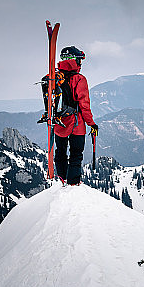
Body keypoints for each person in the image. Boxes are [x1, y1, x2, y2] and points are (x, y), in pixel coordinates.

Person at [54, 46, 98, 185]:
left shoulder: (55, 77)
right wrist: (92, 124)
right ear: (74, 61)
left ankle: (62, 178)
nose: (80, 64)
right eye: (79, 60)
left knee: (60, 151)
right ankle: (73, 183)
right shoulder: (79, 79)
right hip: (76, 124)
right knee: (76, 154)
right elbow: (84, 105)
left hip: (59, 122)